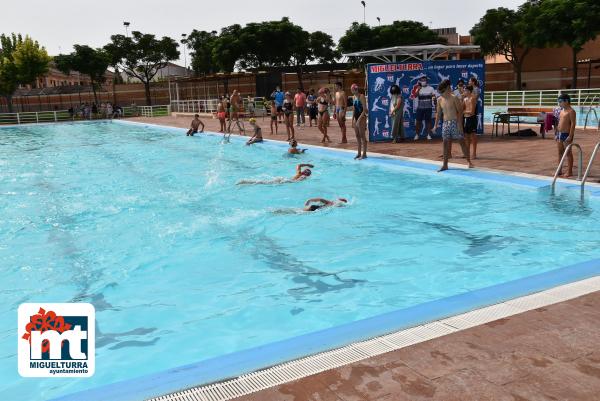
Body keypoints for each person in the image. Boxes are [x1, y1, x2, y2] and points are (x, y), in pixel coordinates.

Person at [434, 79, 473, 172]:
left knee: (462, 142)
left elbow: (460, 112)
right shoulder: (439, 99)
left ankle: (469, 162)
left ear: (447, 88)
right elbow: (438, 113)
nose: (441, 93)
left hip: (455, 122)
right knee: (445, 144)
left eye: (442, 91)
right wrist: (435, 125)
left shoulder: (454, 98)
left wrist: (459, 124)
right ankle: (445, 165)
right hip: (445, 123)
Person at [555, 93, 576, 178]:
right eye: (558, 101)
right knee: (560, 152)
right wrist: (556, 133)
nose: (559, 103)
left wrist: (570, 135)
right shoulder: (562, 111)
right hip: (559, 134)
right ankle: (559, 170)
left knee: (568, 153)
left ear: (566, 101)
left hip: (566, 134)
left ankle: (569, 171)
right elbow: (559, 123)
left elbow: (573, 124)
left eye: (560, 101)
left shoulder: (571, 111)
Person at [237, 163, 314, 185]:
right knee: (264, 183)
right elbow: (296, 182)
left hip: (284, 179)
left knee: (266, 182)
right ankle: (247, 182)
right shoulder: (303, 177)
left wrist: (308, 164)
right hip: (287, 181)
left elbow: (299, 165)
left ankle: (247, 181)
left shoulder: (299, 173)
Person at [412, 75, 434, 141]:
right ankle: (417, 135)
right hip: (420, 108)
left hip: (428, 107)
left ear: (427, 81)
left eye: (424, 80)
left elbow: (433, 97)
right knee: (418, 122)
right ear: (420, 81)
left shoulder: (431, 88)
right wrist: (418, 89)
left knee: (428, 121)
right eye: (422, 81)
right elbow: (415, 96)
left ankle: (428, 135)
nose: (423, 82)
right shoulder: (418, 88)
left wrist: (434, 100)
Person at [351, 83, 368, 159]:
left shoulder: (362, 96)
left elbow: (364, 110)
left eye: (352, 90)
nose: (352, 91)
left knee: (362, 136)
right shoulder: (353, 97)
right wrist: (352, 120)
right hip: (356, 118)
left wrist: (359, 120)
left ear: (355, 89)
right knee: (357, 136)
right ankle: (358, 153)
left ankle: (364, 154)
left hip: (362, 118)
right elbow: (354, 109)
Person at [463, 85, 478, 159]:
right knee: (466, 136)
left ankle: (474, 153)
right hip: (466, 119)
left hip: (472, 119)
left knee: (473, 137)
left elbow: (472, 112)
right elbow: (462, 109)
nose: (464, 92)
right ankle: (467, 152)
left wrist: (464, 112)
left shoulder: (473, 98)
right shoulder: (465, 99)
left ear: (469, 91)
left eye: (465, 90)